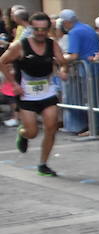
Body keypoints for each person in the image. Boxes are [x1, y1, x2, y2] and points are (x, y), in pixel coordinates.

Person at [1, 12, 67, 176]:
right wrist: (13, 83)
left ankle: (43, 164)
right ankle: (22, 133)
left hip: (47, 93)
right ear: (31, 28)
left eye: (43, 29)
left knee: (51, 128)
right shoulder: (21, 46)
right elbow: (2, 62)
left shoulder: (52, 45)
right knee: (32, 132)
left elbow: (62, 62)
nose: (40, 33)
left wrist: (63, 71)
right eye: (37, 29)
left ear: (48, 29)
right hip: (26, 95)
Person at [57, 9, 99, 134]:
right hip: (94, 67)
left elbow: (73, 55)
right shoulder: (86, 27)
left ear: (65, 22)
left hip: (87, 68)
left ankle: (95, 128)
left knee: (91, 99)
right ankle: (97, 127)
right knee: (96, 98)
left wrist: (59, 58)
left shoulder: (74, 32)